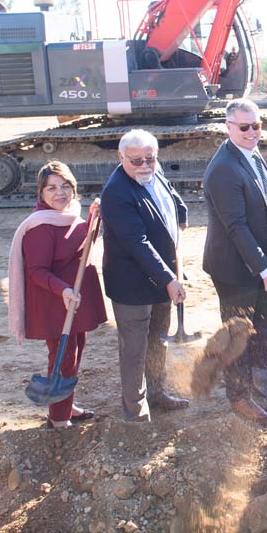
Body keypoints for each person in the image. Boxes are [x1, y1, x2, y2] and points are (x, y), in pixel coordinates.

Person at [202, 99, 267, 422]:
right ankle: (239, 397)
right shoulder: (222, 169)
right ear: (228, 127)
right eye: (244, 127)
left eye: (256, 125)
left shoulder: (248, 151)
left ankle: (261, 377)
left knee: (259, 323)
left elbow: (255, 177)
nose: (252, 132)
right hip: (234, 269)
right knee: (238, 334)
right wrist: (265, 269)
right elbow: (235, 227)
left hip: (256, 261)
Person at [7, 161, 107, 428]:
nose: (59, 193)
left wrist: (93, 220)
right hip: (55, 301)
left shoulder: (71, 215)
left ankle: (65, 404)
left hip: (75, 298)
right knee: (63, 357)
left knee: (75, 351)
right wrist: (61, 289)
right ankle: (59, 419)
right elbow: (36, 271)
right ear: (40, 193)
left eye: (65, 186)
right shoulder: (40, 226)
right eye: (51, 188)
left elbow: (82, 246)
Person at [100, 129, 190, 421]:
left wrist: (181, 212)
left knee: (157, 340)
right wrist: (168, 279)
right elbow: (137, 243)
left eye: (149, 159)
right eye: (135, 160)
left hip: (161, 278)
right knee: (134, 349)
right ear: (120, 157)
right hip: (133, 285)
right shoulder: (116, 192)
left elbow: (168, 195)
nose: (143, 166)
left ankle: (157, 393)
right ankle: (135, 410)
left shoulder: (154, 169)